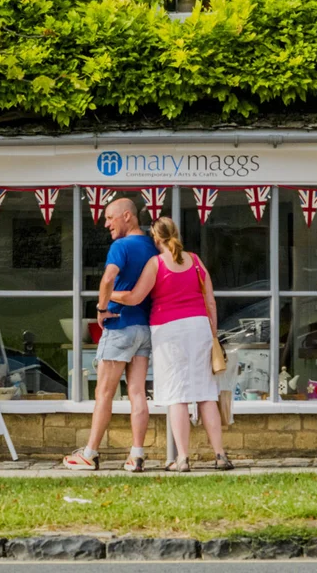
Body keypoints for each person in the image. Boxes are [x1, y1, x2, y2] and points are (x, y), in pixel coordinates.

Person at [110, 217, 234, 472]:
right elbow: (210, 302)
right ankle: (221, 455)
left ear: (155, 238)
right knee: (205, 394)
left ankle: (183, 459)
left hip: (168, 329)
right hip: (199, 327)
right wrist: (211, 335)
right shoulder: (196, 261)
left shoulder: (156, 264)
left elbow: (135, 298)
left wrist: (108, 294)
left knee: (177, 395)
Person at [63, 198, 159, 472]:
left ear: (127, 216)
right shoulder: (152, 246)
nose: (106, 224)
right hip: (144, 327)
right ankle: (136, 455)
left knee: (104, 392)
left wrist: (102, 308)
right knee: (138, 393)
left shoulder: (121, 246)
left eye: (109, 218)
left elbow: (108, 278)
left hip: (119, 326)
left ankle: (90, 453)